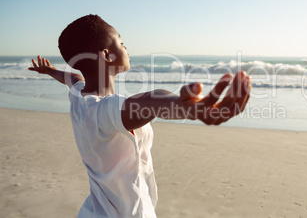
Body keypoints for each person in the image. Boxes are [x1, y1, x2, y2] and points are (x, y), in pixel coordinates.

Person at [28, 14, 251, 218]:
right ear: (106, 55)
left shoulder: (78, 96)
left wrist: (48, 71)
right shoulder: (104, 111)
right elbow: (147, 103)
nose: (126, 47)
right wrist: (186, 108)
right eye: (121, 42)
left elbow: (74, 77)